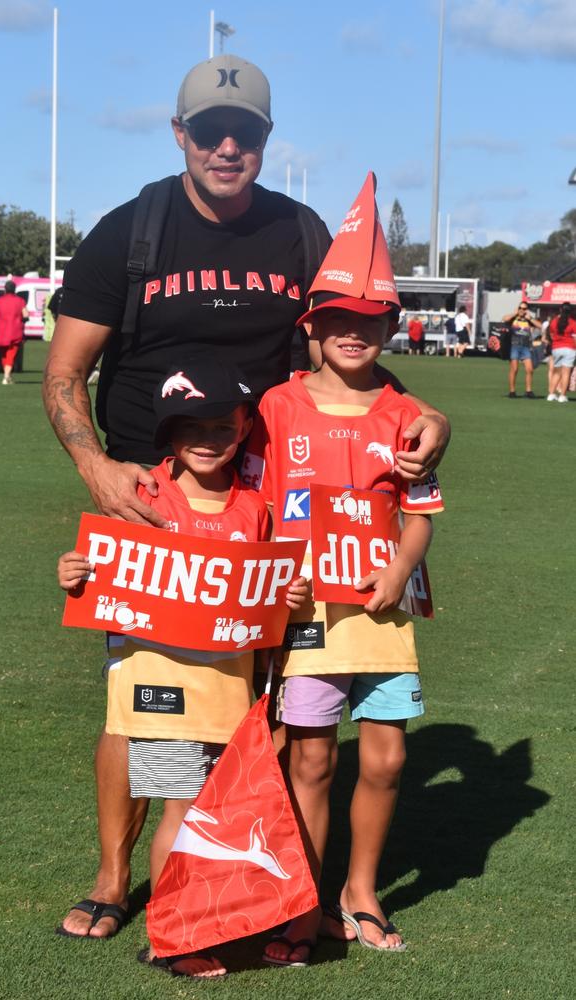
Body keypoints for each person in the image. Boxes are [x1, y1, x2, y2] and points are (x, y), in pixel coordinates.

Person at [42, 53, 452, 940]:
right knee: (137, 689)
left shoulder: (300, 232)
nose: (229, 147)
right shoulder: (133, 230)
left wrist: (432, 418)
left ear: (265, 141)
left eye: (248, 133)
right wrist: (98, 470)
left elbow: (351, 348)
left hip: (266, 501)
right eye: (211, 131)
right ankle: (115, 879)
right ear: (181, 133)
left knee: (254, 692)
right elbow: (65, 375)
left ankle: (246, 872)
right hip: (148, 496)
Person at [243, 173, 444, 966]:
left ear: (389, 328)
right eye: (337, 320)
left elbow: (422, 511)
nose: (353, 333)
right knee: (313, 756)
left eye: (369, 321)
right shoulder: (277, 405)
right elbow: (255, 506)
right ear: (312, 326)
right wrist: (271, 580)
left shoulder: (403, 411)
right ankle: (302, 900)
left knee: (387, 756)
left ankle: (360, 891)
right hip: (307, 616)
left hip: (383, 612)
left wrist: (399, 571)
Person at [56, 361, 307, 976]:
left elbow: (267, 596)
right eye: (190, 427)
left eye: (222, 426)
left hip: (226, 690)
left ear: (244, 428)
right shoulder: (145, 496)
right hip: (157, 685)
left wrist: (289, 597)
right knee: (181, 807)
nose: (206, 438)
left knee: (209, 811)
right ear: (168, 434)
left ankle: (195, 920)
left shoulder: (255, 508)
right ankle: (176, 935)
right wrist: (74, 572)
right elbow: (96, 565)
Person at [0, 280, 28, 384]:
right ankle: (6, 376)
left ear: (5, 289)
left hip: (1, 331)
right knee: (11, 354)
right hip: (15, 331)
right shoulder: (20, 301)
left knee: (4, 354)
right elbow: (26, 314)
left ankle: (8, 376)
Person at [502, 300, 542, 398]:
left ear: (526, 310)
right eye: (520, 308)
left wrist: (531, 318)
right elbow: (504, 319)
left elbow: (540, 326)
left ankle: (528, 391)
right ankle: (512, 391)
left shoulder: (528, 319)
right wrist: (514, 314)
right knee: (514, 369)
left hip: (525, 346)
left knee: (529, 369)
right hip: (514, 346)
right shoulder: (513, 318)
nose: (521, 310)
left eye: (524, 308)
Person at [545, 303, 576, 402]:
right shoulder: (573, 322)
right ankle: (562, 396)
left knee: (556, 373)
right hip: (569, 348)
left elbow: (551, 335)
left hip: (556, 349)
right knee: (566, 373)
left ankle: (551, 394)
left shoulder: (554, 321)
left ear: (560, 310)